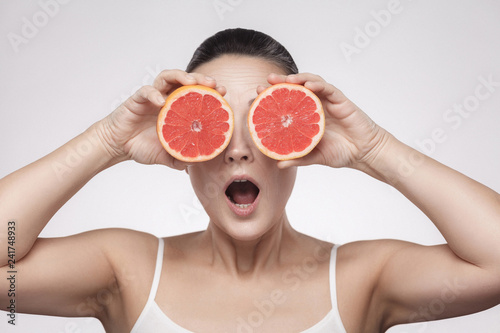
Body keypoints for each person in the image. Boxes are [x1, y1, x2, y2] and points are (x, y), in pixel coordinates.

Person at [1, 28, 499, 333]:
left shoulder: (362, 278)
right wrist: (107, 141)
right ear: (184, 148)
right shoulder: (125, 270)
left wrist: (374, 150)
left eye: (261, 123)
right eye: (214, 127)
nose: (238, 148)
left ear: (299, 143)